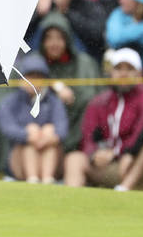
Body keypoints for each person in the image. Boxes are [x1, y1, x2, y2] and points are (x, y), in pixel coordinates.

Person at [64, 48, 143, 191]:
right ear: (111, 73)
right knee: (74, 159)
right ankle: (73, 203)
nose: (123, 73)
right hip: (115, 166)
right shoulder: (99, 102)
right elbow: (88, 136)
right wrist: (95, 153)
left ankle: (124, 190)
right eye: (118, 68)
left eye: (129, 69)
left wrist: (127, 152)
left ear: (139, 74)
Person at [36, 12, 103, 152]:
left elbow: (96, 98)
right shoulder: (34, 64)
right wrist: (53, 88)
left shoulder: (85, 64)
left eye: (59, 38)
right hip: (44, 137)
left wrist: (73, 97)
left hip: (81, 137)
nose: (54, 43)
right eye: (49, 38)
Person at [0, 53, 68, 183]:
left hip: (50, 151)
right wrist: (27, 135)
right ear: (21, 78)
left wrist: (48, 137)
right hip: (19, 158)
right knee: (29, 145)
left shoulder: (53, 101)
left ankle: (47, 179)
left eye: (38, 77)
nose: (33, 81)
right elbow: (6, 127)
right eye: (29, 77)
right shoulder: (10, 102)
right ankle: (32, 179)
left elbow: (62, 128)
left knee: (49, 132)